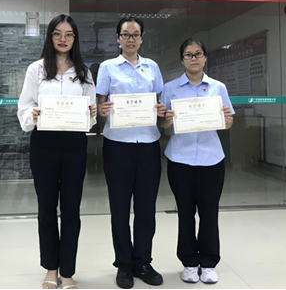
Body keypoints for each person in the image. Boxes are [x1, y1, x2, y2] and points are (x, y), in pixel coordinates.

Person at [18, 15, 98, 290]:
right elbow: (24, 106)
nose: (63, 39)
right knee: (47, 208)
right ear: (50, 36)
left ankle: (68, 271)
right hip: (44, 144)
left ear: (75, 39)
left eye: (68, 34)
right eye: (57, 33)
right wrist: (32, 114)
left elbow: (91, 116)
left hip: (74, 145)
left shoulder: (84, 72)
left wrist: (91, 113)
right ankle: (51, 268)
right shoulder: (36, 69)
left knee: (72, 209)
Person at [96, 17, 166, 289]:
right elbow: (101, 105)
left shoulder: (152, 67)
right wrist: (102, 111)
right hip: (117, 145)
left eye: (135, 35)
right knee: (120, 208)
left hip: (148, 144)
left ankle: (143, 262)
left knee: (146, 208)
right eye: (125, 34)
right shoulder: (107, 67)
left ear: (142, 38)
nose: (131, 39)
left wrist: (160, 110)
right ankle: (124, 264)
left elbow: (159, 102)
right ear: (117, 38)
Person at [159, 39, 234, 285]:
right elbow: (163, 123)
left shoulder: (218, 87)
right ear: (182, 60)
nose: (194, 58)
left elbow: (228, 122)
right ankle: (190, 262)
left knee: (209, 213)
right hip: (180, 160)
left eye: (198, 54)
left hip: (211, 160)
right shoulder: (170, 88)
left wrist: (226, 119)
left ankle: (209, 262)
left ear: (204, 58)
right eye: (188, 55)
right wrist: (167, 120)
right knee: (185, 213)